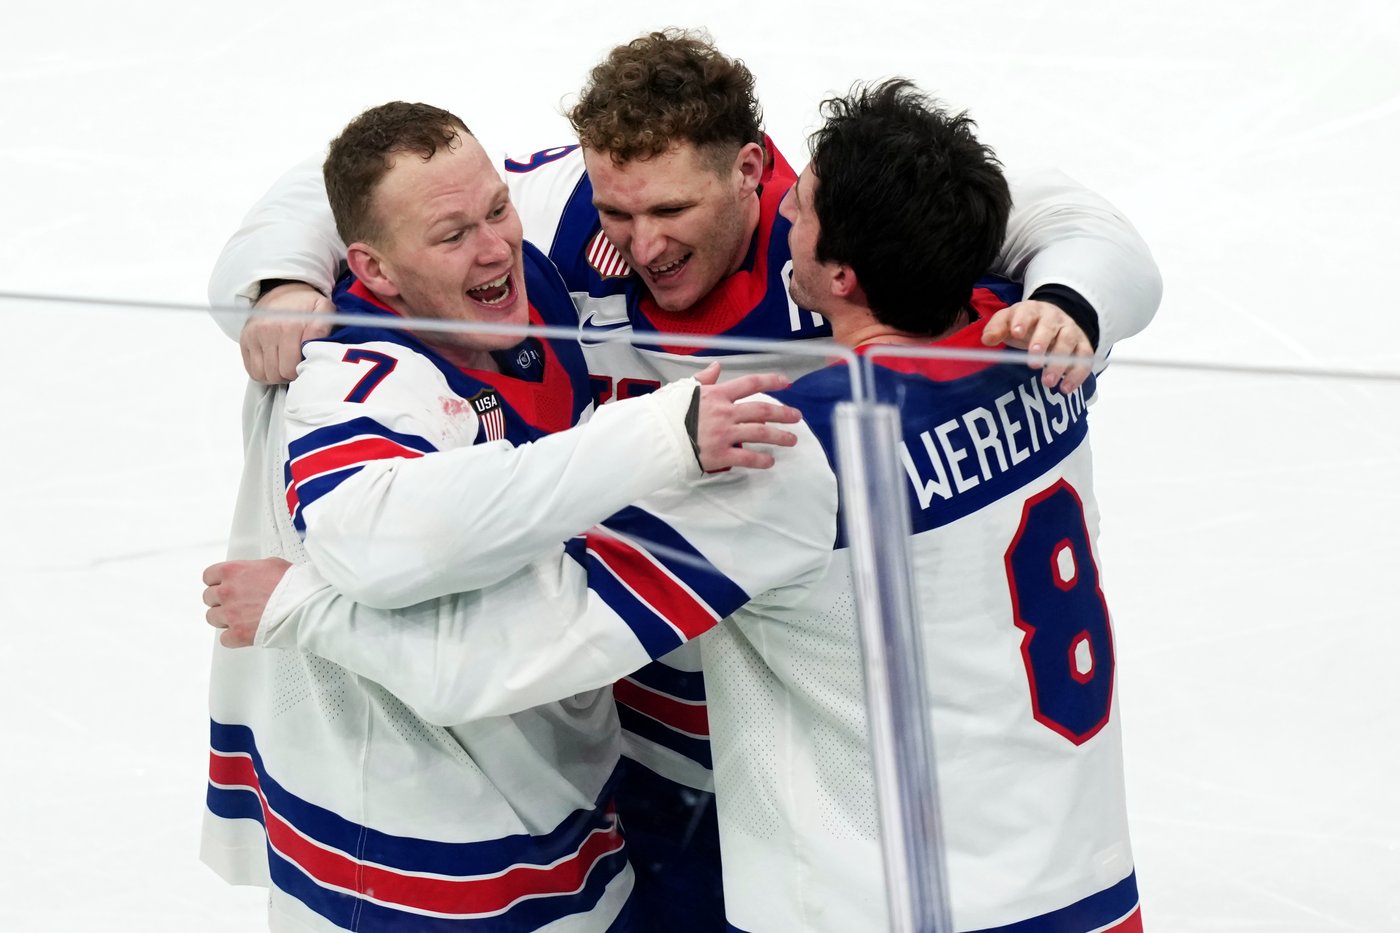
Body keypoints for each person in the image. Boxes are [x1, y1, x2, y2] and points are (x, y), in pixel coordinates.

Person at [207, 29, 1161, 928]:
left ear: (756, 176)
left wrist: (298, 605)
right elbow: (367, 183)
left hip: (820, 822)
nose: (643, 243)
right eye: (619, 212)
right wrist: (286, 277)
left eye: (671, 213)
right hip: (1013, 841)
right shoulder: (1017, 344)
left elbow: (504, 645)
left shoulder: (790, 445)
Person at [202, 99, 836, 932]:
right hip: (412, 860)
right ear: (375, 269)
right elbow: (389, 546)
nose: (495, 244)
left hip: (576, 804)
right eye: (453, 235)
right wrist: (662, 434)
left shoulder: (531, 278)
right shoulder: (346, 377)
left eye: (498, 209)